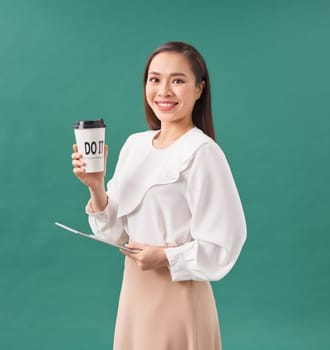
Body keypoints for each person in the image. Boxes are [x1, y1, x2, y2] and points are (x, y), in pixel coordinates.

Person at [71, 41, 247, 350]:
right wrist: (95, 185)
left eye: (177, 80)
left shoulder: (202, 153)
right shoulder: (134, 146)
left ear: (199, 89)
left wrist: (165, 256)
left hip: (179, 297)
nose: (163, 90)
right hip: (135, 294)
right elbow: (113, 233)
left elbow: (224, 245)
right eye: (155, 79)